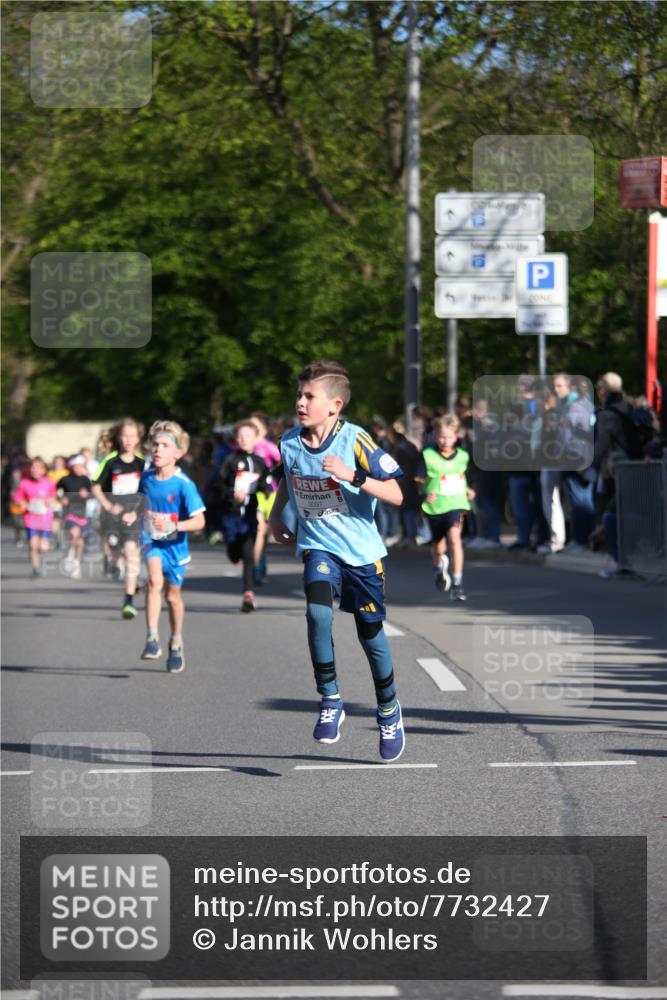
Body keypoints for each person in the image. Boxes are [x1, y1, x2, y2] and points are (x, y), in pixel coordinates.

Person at [269, 360, 406, 761]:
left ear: (335, 405)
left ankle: (388, 710)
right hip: (318, 547)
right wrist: (277, 514)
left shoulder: (356, 440)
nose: (300, 402)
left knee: (370, 634)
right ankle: (330, 699)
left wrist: (353, 476)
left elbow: (397, 494)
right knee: (317, 614)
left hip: (362, 555)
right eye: (299, 394)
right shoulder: (289, 442)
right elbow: (286, 476)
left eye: (309, 396)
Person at [138, 420, 206, 672]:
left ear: (177, 453)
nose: (157, 449)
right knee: (154, 581)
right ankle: (152, 638)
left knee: (172, 596)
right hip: (151, 540)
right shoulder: (145, 479)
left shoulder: (184, 485)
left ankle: (176, 641)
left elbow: (200, 521)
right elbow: (139, 504)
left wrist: (174, 525)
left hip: (175, 546)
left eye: (165, 445)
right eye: (155, 444)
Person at [92, 419, 146, 619]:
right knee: (114, 551)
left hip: (133, 517)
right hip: (112, 517)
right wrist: (108, 505)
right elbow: (96, 485)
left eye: (132, 436)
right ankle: (119, 565)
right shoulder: (110, 461)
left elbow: (149, 489)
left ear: (138, 438)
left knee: (132, 553)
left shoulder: (143, 463)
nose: (128, 440)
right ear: (118, 438)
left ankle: (128, 601)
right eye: (125, 435)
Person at [419, 415, 475, 602]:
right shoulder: (428, 455)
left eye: (449, 437)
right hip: (435, 506)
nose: (445, 441)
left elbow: (461, 477)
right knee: (439, 546)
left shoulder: (463, 456)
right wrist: (424, 493)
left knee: (455, 539)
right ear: (435, 436)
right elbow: (417, 480)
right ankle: (438, 568)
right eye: (441, 436)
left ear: (457, 436)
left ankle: (458, 583)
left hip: (456, 504)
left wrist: (468, 490)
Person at [215, 420, 269, 612]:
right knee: (234, 551)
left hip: (250, 515)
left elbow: (266, 485)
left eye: (248, 436)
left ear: (255, 439)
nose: (244, 439)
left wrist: (265, 492)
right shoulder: (229, 461)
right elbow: (219, 485)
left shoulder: (260, 462)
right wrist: (232, 493)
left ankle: (248, 594)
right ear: (236, 439)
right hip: (231, 514)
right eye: (240, 436)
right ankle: (232, 551)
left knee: (248, 554)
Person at [250, 413, 281, 586]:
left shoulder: (267, 446)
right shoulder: (245, 446)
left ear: (264, 429)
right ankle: (255, 568)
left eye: (256, 426)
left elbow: (283, 462)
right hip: (254, 494)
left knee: (265, 533)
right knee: (258, 530)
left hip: (271, 493)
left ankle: (261, 562)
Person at [12, 457, 57, 578]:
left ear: (43, 470)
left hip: (45, 519)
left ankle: (38, 553)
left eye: (37, 467)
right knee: (33, 545)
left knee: (43, 547)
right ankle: (36, 567)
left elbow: (54, 496)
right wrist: (22, 503)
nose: (34, 470)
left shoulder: (49, 483)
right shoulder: (24, 483)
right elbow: (17, 498)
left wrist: (49, 500)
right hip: (30, 518)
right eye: (32, 467)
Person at [58, 455, 93, 579]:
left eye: (81, 466)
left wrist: (87, 495)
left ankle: (76, 562)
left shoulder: (86, 480)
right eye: (76, 466)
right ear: (71, 467)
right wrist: (62, 498)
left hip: (82, 514)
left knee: (80, 541)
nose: (79, 469)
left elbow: (93, 494)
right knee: (74, 534)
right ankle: (69, 555)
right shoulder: (65, 479)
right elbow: (57, 490)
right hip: (69, 513)